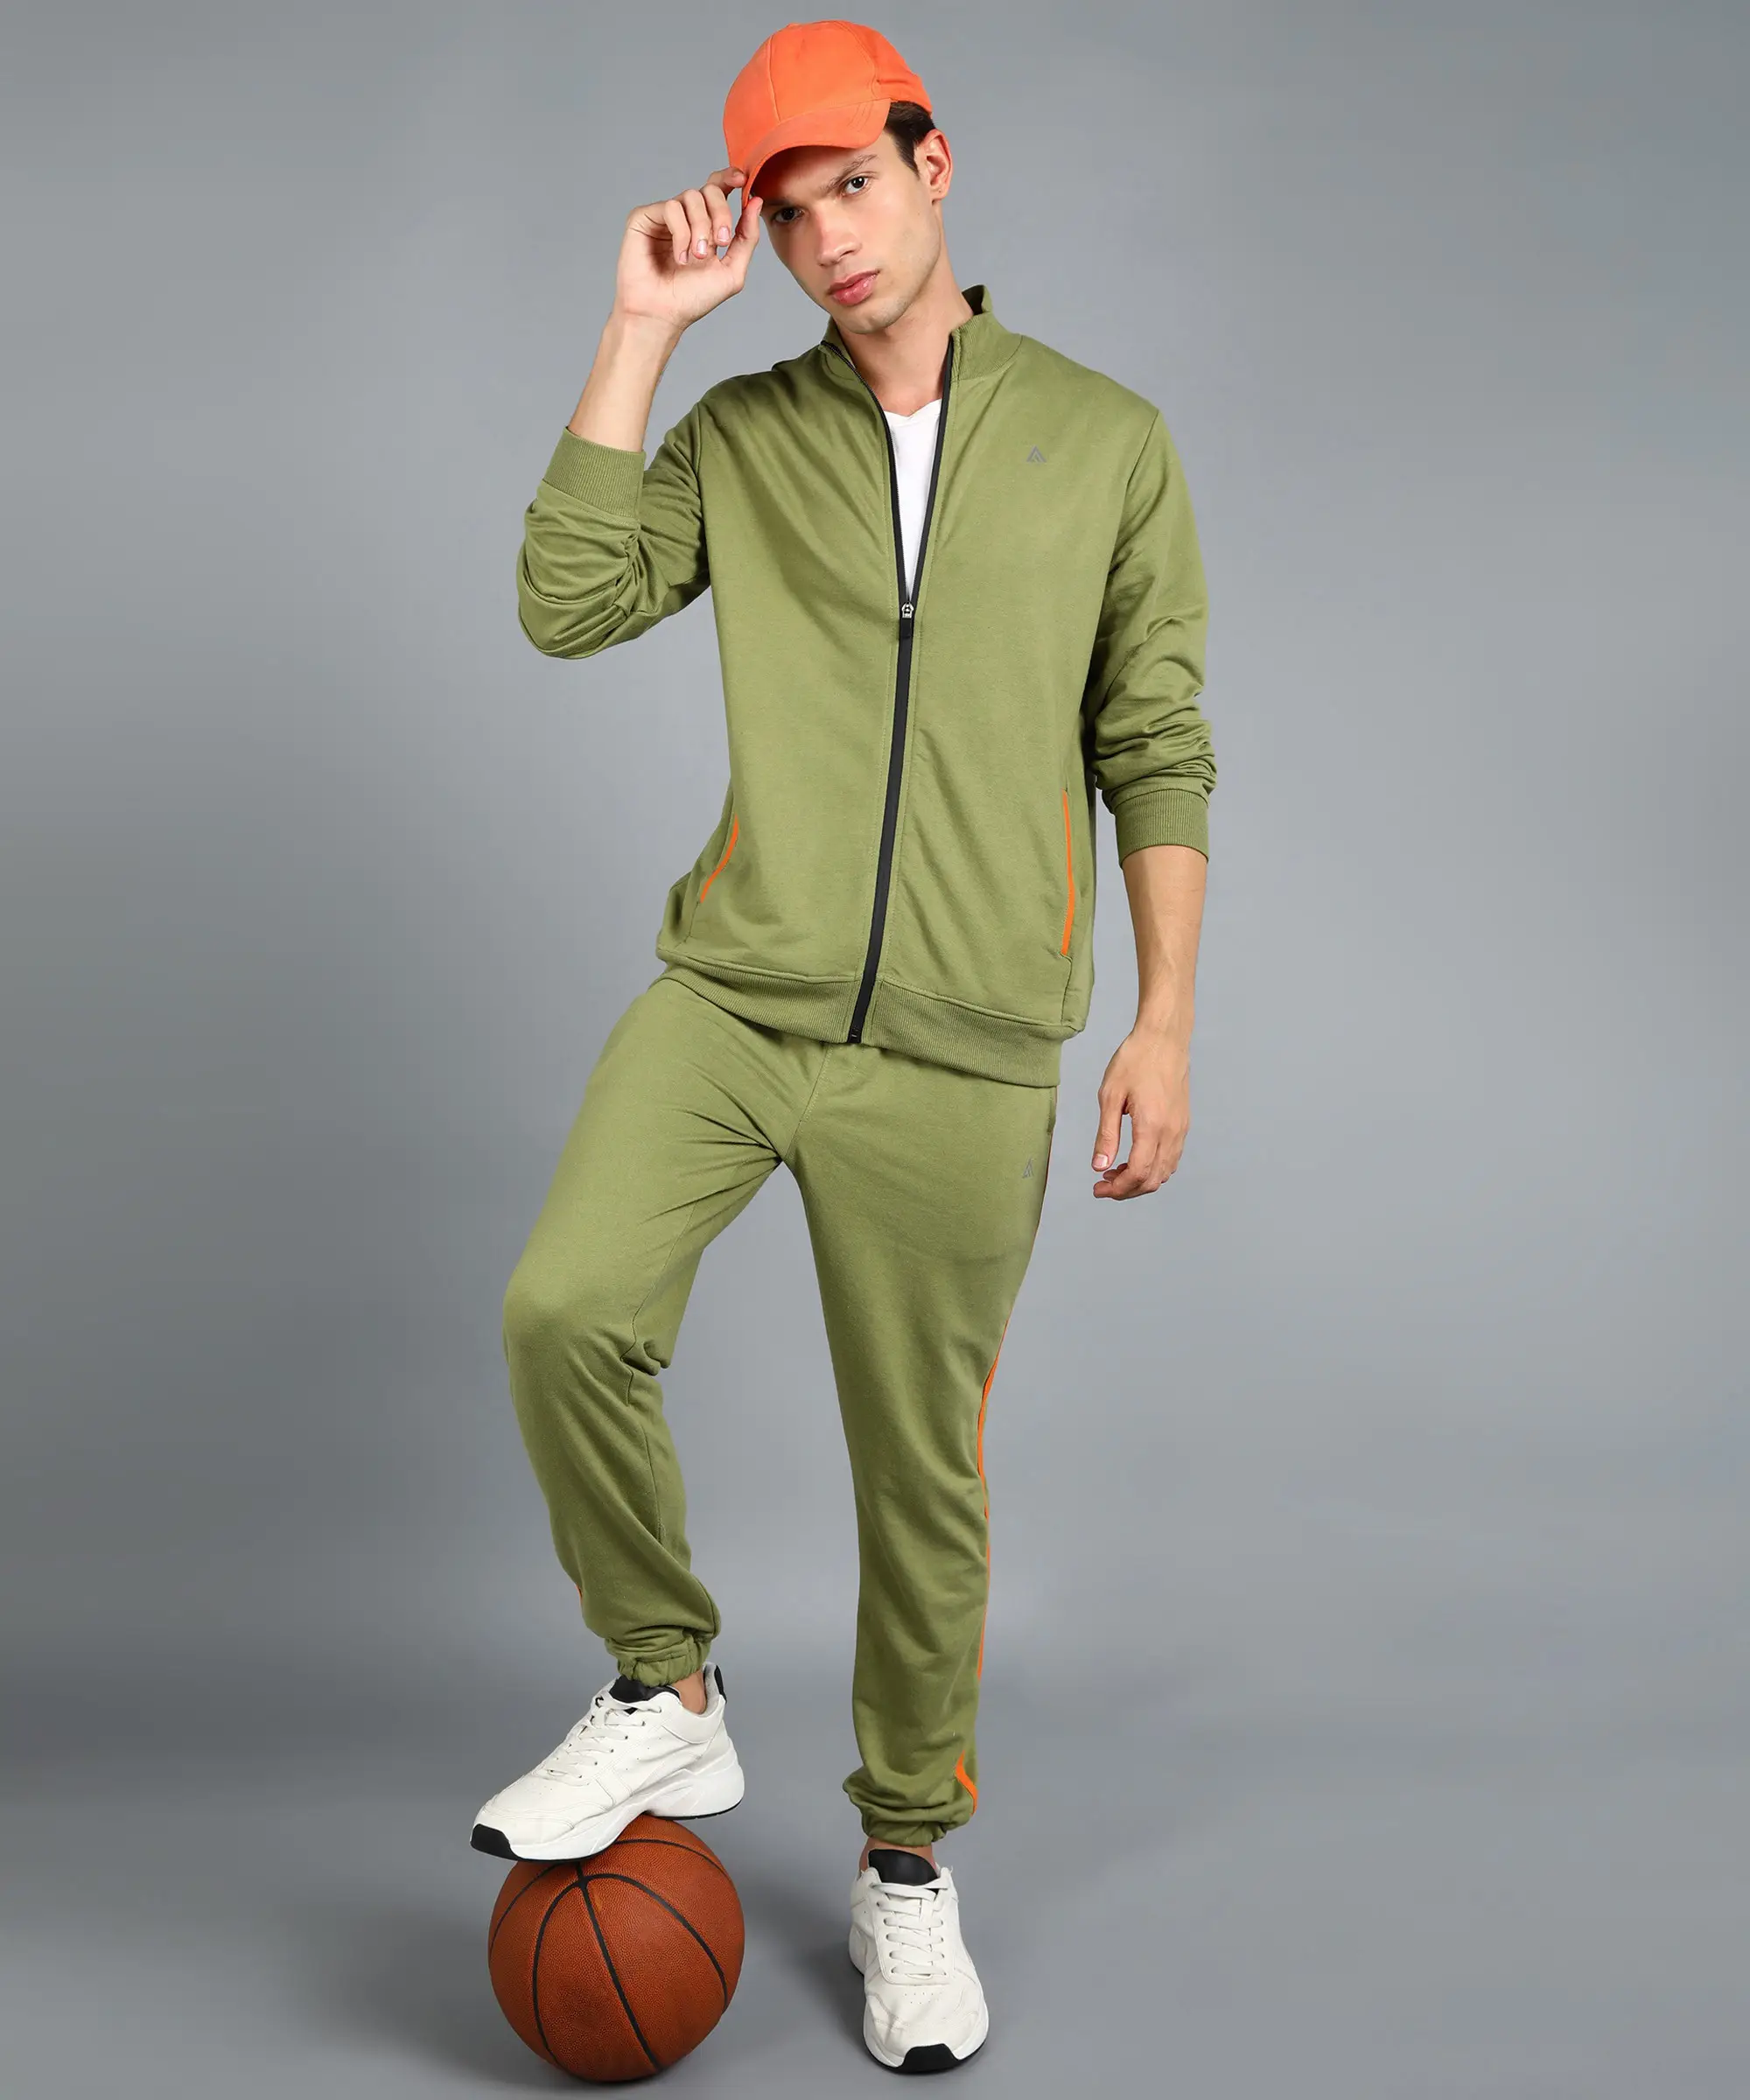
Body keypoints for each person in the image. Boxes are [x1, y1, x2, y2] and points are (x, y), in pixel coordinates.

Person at [470, 18, 1214, 2075]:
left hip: (968, 1047)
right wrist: (640, 328)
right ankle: (666, 1689)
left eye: (853, 190)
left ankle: (904, 1869)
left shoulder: (1106, 441)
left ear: (932, 163)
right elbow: (564, 601)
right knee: (563, 1309)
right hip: (740, 992)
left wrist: (1159, 1016)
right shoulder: (742, 435)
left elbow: (1154, 740)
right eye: (789, 215)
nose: (827, 242)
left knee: (919, 1480)